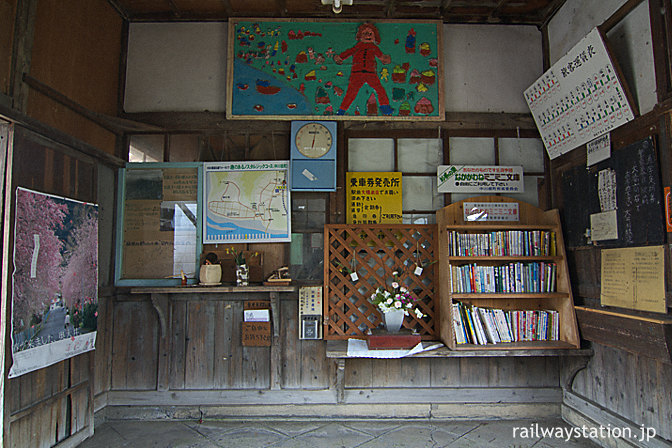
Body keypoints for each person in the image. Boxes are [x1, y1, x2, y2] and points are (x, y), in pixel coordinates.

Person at [334, 22, 393, 116]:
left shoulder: (373, 47)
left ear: (374, 36)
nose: (367, 36)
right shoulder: (358, 46)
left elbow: (381, 56)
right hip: (357, 73)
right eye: (365, 33)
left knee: (379, 89)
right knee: (351, 92)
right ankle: (342, 110)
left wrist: (385, 59)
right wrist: (341, 57)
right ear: (360, 35)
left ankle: (385, 107)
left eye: (370, 34)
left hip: (370, 73)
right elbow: (350, 51)